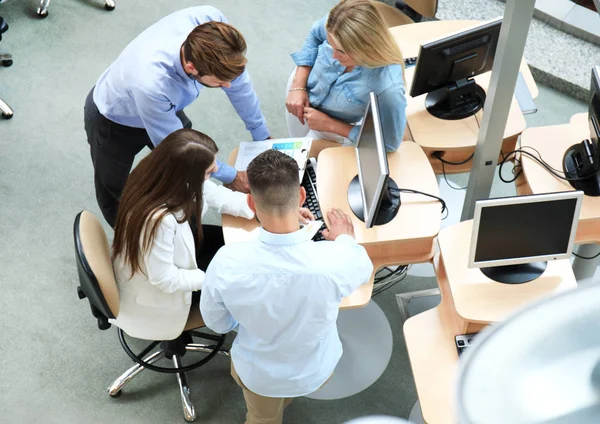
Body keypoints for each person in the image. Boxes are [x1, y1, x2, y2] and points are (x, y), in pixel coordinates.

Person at [200, 149, 374, 424]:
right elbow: (363, 268)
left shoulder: (226, 263)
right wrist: (344, 239)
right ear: (302, 196)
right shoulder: (336, 261)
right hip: (315, 370)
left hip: (260, 377)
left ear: (251, 203)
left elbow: (218, 324)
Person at [85, 6, 270, 228]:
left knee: (188, 170)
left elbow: (239, 87)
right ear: (192, 68)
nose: (228, 85)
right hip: (114, 120)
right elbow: (182, 149)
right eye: (220, 82)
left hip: (166, 105)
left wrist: (262, 136)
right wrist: (231, 176)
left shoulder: (211, 20)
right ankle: (128, 241)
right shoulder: (152, 83)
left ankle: (186, 217)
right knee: (115, 189)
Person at [110, 129, 255, 341]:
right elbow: (164, 279)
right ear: (187, 175)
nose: (213, 175)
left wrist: (268, 209)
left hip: (178, 252)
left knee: (239, 250)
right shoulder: (159, 221)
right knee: (247, 277)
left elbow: (218, 195)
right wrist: (216, 280)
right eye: (208, 172)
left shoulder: (162, 175)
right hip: (163, 293)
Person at [285, 0, 407, 151]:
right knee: (294, 141)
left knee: (300, 160)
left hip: (329, 130)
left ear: (366, 47)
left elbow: (389, 144)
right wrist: (298, 85)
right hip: (299, 94)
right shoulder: (338, 24)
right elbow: (315, 35)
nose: (333, 55)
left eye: (341, 51)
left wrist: (330, 124)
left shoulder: (389, 89)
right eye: (330, 45)